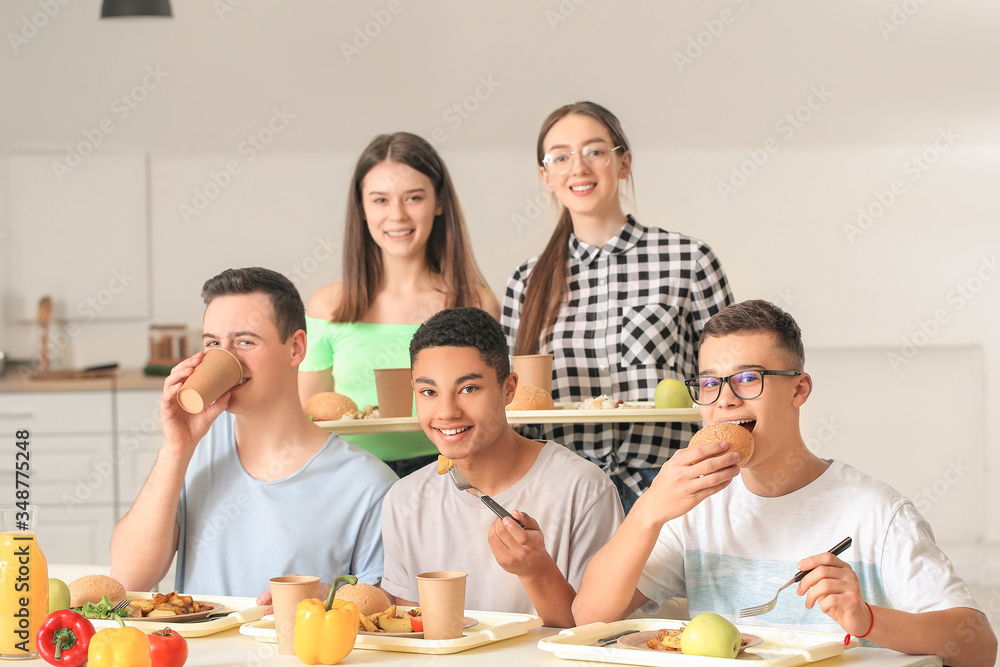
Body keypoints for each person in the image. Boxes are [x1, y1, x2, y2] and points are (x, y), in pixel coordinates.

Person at [573, 300, 997, 666]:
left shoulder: (877, 512)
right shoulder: (694, 508)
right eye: (709, 382)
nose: (725, 399)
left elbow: (978, 647)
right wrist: (649, 510)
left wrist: (867, 618)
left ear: (799, 390)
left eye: (747, 378)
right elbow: (588, 619)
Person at [502, 101, 733, 513]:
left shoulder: (688, 260)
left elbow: (730, 381)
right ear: (546, 177)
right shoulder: (525, 283)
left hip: (668, 485)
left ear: (623, 163)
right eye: (561, 157)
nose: (578, 167)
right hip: (560, 494)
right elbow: (510, 403)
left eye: (594, 151)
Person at [110, 267, 398, 598]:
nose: (226, 357)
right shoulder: (193, 454)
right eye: (214, 343)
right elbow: (129, 580)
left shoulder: (367, 484)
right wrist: (176, 448)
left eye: (246, 341)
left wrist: (326, 599)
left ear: (296, 349)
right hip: (195, 652)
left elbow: (380, 613)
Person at [379, 307, 624, 627]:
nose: (447, 411)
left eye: (468, 389)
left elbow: (596, 634)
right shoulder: (405, 500)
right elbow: (412, 631)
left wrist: (536, 571)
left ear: (508, 388)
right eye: (429, 392)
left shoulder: (583, 489)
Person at [299, 132, 501, 478]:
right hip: (349, 476)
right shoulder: (327, 307)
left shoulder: (476, 303)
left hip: (450, 475)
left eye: (413, 198)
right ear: (361, 208)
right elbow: (306, 415)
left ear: (439, 203)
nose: (397, 215)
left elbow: (492, 413)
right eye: (380, 200)